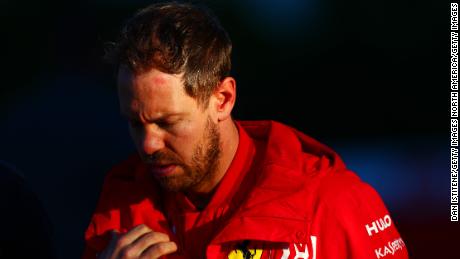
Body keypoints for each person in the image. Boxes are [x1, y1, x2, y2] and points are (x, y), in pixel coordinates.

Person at [83, 2, 409, 258]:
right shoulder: (120, 214)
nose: (149, 144)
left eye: (167, 122)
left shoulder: (328, 202)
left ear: (222, 99)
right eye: (134, 123)